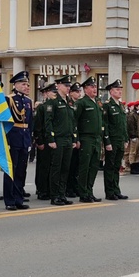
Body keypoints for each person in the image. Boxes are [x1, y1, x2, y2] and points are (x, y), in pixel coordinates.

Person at [44, 75, 77, 206]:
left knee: (65, 168)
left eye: (69, 86)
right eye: (66, 85)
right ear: (58, 86)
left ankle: (62, 194)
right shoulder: (53, 102)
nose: (68, 88)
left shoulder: (69, 102)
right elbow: (48, 122)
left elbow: (72, 122)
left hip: (68, 139)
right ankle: (55, 195)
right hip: (58, 139)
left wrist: (74, 137)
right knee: (56, 168)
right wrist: (51, 138)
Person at [4, 71, 33, 210]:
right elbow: (5, 122)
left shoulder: (28, 101)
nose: (27, 86)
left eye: (27, 84)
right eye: (23, 84)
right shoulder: (8, 99)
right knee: (11, 170)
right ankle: (9, 200)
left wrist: (30, 140)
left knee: (21, 170)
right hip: (13, 138)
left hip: (24, 138)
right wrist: (7, 140)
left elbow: (30, 123)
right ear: (15, 85)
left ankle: (18, 198)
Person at [75, 76, 103, 202]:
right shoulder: (81, 103)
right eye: (92, 87)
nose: (94, 89)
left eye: (95, 86)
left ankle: (89, 191)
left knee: (93, 166)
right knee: (84, 167)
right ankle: (83, 193)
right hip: (86, 138)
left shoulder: (96, 102)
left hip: (96, 138)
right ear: (85, 89)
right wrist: (77, 138)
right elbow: (74, 121)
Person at [102, 79, 129, 200]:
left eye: (120, 89)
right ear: (111, 91)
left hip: (120, 140)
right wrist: (107, 141)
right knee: (110, 166)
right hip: (112, 140)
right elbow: (105, 125)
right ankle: (110, 192)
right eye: (117, 89)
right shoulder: (107, 105)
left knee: (117, 166)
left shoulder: (121, 106)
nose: (120, 92)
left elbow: (123, 124)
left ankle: (116, 190)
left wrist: (126, 139)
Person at [33, 83, 57, 200]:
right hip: (44, 141)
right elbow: (38, 126)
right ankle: (42, 189)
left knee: (53, 166)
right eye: (53, 92)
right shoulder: (42, 107)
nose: (55, 95)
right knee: (44, 166)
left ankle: (50, 189)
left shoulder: (56, 106)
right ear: (46, 93)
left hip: (54, 141)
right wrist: (39, 141)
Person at [66, 81, 83, 198]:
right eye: (76, 91)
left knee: (76, 165)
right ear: (71, 93)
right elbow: (72, 123)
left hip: (78, 136)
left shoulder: (79, 104)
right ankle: (69, 188)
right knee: (70, 166)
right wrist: (74, 138)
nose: (79, 94)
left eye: (79, 91)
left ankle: (75, 186)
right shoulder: (69, 103)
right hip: (70, 137)